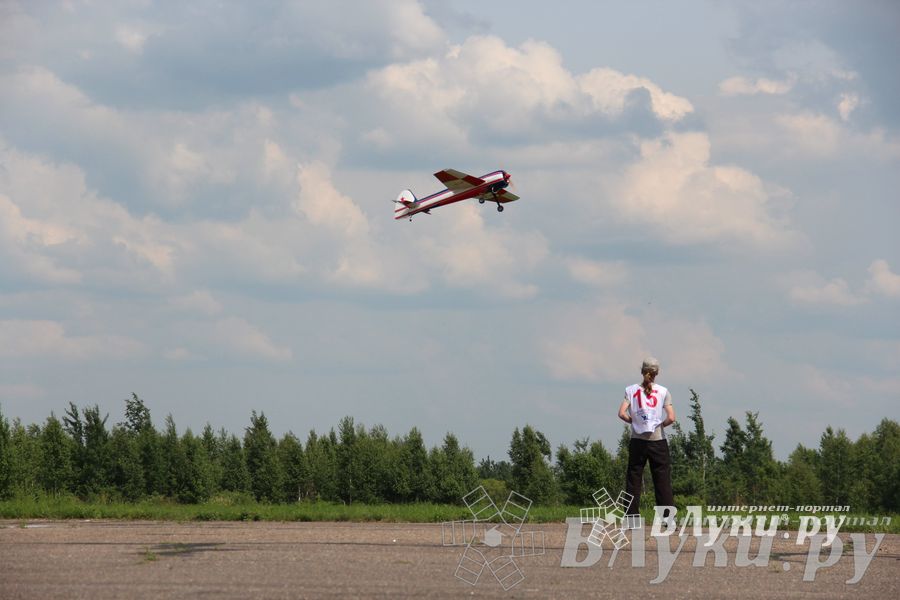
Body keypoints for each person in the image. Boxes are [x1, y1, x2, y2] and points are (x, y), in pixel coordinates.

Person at [617, 357, 675, 517]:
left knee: (633, 480)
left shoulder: (630, 390)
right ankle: (668, 520)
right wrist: (659, 425)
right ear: (657, 373)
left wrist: (635, 422)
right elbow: (671, 417)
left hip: (637, 441)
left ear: (642, 371)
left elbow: (621, 413)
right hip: (658, 441)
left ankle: (631, 519)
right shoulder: (663, 391)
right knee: (662, 482)